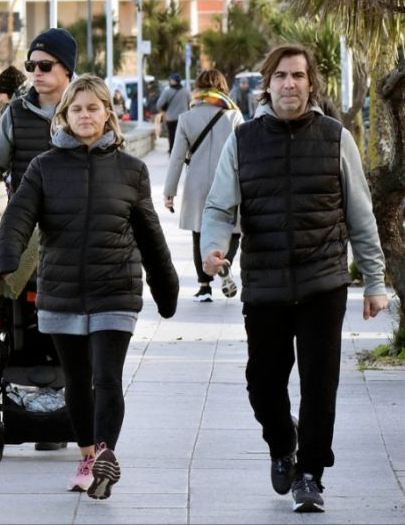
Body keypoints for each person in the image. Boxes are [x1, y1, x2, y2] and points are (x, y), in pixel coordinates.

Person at [200, 44, 389, 513]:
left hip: (321, 282)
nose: (290, 84)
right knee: (263, 384)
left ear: (311, 83)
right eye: (281, 76)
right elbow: (220, 206)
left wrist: (374, 281)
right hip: (264, 286)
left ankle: (310, 474)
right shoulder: (243, 140)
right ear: (268, 83)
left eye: (298, 76)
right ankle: (283, 443)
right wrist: (213, 249)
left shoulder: (334, 137)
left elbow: (361, 215)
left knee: (319, 385)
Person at [0, 75, 178, 500]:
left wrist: (166, 286)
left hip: (115, 290)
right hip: (61, 291)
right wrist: (6, 257)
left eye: (93, 108)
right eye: (77, 109)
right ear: (65, 116)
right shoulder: (44, 167)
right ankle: (90, 454)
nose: (85, 116)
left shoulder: (132, 170)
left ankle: (104, 455)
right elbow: (18, 216)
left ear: (108, 114)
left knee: (107, 378)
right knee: (75, 381)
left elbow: (149, 232)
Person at [0, 28, 78, 451]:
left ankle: (65, 404)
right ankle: (29, 399)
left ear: (67, 68)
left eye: (45, 65)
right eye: (31, 66)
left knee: (65, 320)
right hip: (24, 226)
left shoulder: (86, 107)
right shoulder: (15, 113)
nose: (36, 73)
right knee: (21, 314)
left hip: (72, 231)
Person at [163, 69, 243, 303]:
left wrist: (169, 192)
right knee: (234, 230)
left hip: (197, 185)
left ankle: (204, 286)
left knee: (199, 233)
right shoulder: (234, 116)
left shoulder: (187, 118)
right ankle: (223, 262)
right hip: (228, 183)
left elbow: (177, 157)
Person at [156, 73, 189, 154]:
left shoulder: (167, 91)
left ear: (173, 81)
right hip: (183, 118)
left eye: (170, 80)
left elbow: (159, 104)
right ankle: (181, 150)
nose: (169, 81)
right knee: (182, 136)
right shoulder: (186, 91)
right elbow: (191, 103)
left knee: (171, 135)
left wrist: (164, 110)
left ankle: (172, 150)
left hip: (170, 118)